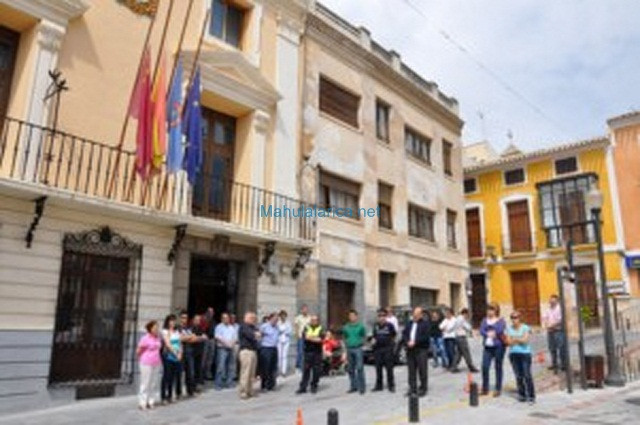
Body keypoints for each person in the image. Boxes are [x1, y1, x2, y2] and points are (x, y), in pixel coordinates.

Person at [506, 310, 536, 404]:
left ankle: (531, 396)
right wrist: (519, 339)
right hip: (513, 354)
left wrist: (514, 339)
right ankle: (522, 394)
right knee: (518, 376)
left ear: (520, 318)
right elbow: (508, 342)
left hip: (525, 354)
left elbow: (525, 341)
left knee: (527, 375)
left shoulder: (525, 327)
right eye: (512, 317)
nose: (514, 319)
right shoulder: (509, 329)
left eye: (516, 317)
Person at [402, 307, 431, 397]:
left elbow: (425, 337)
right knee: (411, 370)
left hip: (421, 349)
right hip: (410, 350)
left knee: (422, 370)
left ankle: (423, 388)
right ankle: (412, 388)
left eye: (417, 314)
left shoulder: (425, 324)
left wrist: (415, 342)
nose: (415, 316)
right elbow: (404, 334)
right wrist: (407, 342)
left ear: (421, 315)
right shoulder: (409, 323)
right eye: (414, 314)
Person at [479, 303, 507, 397]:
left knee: (498, 367)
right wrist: (488, 333)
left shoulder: (501, 320)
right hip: (487, 347)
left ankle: (498, 388)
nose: (490, 312)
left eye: (492, 309)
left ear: (496, 311)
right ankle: (485, 388)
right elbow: (481, 330)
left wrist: (489, 330)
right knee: (485, 366)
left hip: (499, 346)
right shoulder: (484, 320)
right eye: (488, 309)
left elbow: (499, 330)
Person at [136, 320, 162, 410]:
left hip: (156, 362)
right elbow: (138, 351)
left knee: (153, 383)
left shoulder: (158, 338)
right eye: (155, 327)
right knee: (145, 383)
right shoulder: (145, 338)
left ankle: (151, 401)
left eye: (157, 327)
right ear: (150, 328)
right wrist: (142, 359)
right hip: (146, 363)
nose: (156, 329)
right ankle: (142, 402)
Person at [296, 315, 324, 394]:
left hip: (317, 353)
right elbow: (305, 337)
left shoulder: (321, 328)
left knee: (316, 371)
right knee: (306, 370)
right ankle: (303, 387)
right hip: (308, 352)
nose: (313, 321)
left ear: (318, 321)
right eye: (312, 320)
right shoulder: (307, 327)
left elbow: (320, 340)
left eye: (315, 320)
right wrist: (314, 338)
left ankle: (314, 386)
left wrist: (311, 338)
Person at [372, 309, 397, 392]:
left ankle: (391, 385)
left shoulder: (390, 325)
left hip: (387, 349)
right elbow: (374, 335)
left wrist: (391, 345)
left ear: (386, 317)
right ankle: (379, 385)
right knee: (378, 368)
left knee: (389, 368)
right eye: (380, 316)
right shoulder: (375, 326)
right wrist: (373, 341)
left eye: (383, 316)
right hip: (378, 349)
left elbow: (394, 335)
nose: (381, 317)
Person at [342, 309, 367, 395]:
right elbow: (344, 336)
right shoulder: (346, 327)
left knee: (359, 368)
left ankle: (362, 387)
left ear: (356, 317)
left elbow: (364, 336)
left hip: (358, 348)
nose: (351, 317)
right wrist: (346, 344)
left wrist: (361, 343)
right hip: (349, 348)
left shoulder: (360, 326)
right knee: (350, 368)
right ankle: (353, 386)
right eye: (350, 316)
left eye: (353, 316)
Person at [238, 312, 261, 399]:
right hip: (246, 351)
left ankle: (250, 390)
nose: (254, 320)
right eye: (252, 318)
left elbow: (259, 334)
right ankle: (243, 392)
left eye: (254, 318)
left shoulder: (253, 327)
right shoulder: (243, 326)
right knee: (245, 372)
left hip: (253, 351)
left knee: (252, 373)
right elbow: (251, 335)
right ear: (247, 318)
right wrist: (256, 334)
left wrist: (257, 334)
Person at [161, 314, 182, 404]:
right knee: (167, 376)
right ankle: (163, 396)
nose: (172, 323)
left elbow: (180, 343)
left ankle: (170, 395)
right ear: (167, 322)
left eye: (174, 321)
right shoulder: (165, 331)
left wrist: (180, 353)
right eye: (171, 321)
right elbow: (168, 344)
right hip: (168, 355)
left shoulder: (177, 331)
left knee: (173, 376)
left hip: (176, 356)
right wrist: (175, 353)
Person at [451, 308, 479, 373]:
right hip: (461, 338)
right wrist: (473, 330)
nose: (467, 316)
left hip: (457, 337)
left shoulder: (457, 318)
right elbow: (468, 327)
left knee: (458, 353)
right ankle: (471, 366)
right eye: (467, 315)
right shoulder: (462, 319)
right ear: (465, 314)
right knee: (466, 352)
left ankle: (454, 367)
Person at [542, 295, 565, 373]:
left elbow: (560, 320)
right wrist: (546, 324)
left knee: (561, 348)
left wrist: (551, 326)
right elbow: (544, 318)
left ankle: (563, 364)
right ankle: (554, 364)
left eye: (553, 301)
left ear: (557, 301)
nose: (551, 302)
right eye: (550, 300)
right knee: (552, 348)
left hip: (558, 331)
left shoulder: (560, 309)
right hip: (550, 332)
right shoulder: (548, 309)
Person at [214, 313, 237, 390]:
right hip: (222, 349)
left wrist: (232, 343)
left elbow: (235, 337)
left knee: (231, 366)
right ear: (222, 319)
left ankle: (229, 383)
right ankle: (218, 384)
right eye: (224, 318)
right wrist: (226, 343)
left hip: (231, 348)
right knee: (220, 367)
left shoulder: (231, 327)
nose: (226, 319)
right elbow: (217, 337)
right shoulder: (219, 327)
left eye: (227, 318)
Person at [259, 312, 280, 391]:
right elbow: (259, 336)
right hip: (266, 348)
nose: (276, 321)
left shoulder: (277, 327)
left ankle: (272, 385)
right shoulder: (264, 326)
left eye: (277, 319)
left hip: (274, 348)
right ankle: (264, 385)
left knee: (273, 367)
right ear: (270, 318)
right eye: (275, 319)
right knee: (265, 368)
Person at [189, 314, 207, 392]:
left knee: (198, 369)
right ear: (193, 320)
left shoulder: (200, 328)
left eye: (199, 320)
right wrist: (200, 338)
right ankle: (191, 388)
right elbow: (193, 338)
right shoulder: (190, 328)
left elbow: (205, 337)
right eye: (196, 320)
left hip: (199, 351)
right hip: (192, 352)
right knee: (191, 371)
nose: (197, 321)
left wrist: (199, 338)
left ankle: (196, 386)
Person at [294, 305, 311, 371]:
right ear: (301, 310)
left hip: (308, 337)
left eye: (306, 309)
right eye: (304, 309)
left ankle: (305, 365)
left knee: (306, 352)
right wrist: (297, 334)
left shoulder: (309, 317)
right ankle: (300, 366)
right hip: (300, 336)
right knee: (300, 352)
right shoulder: (298, 317)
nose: (305, 310)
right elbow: (296, 326)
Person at [202, 307, 217, 380]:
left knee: (211, 357)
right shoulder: (204, 319)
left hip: (212, 340)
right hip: (206, 339)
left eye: (212, 312)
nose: (211, 313)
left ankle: (207, 373)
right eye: (210, 312)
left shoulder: (214, 321)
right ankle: (202, 373)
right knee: (204, 357)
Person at [277, 310, 292, 377]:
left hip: (286, 340)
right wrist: (282, 331)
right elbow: (277, 331)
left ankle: (284, 371)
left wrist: (284, 331)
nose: (283, 317)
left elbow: (289, 331)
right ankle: (279, 370)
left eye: (284, 316)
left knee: (284, 356)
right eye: (281, 316)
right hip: (279, 340)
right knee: (279, 355)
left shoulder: (288, 323)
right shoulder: (278, 323)